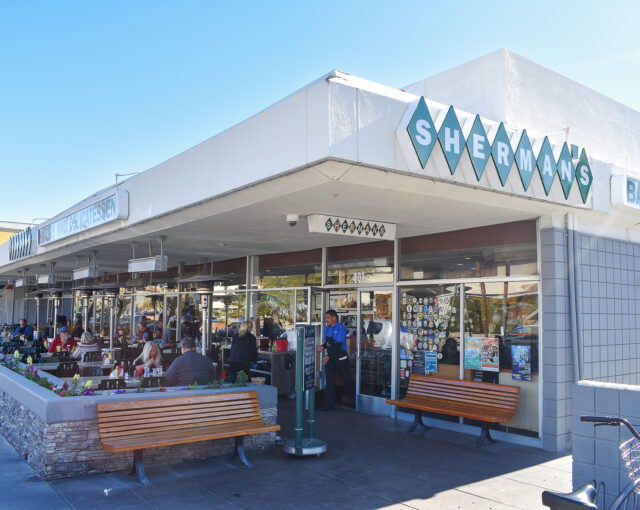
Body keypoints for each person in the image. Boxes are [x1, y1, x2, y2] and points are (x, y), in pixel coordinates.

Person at [316, 309, 354, 410]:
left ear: (334, 318)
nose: (326, 320)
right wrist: (322, 346)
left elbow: (338, 345)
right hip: (331, 358)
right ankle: (329, 404)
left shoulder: (341, 328)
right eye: (325, 318)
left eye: (328, 318)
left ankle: (354, 401)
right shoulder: (326, 329)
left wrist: (328, 356)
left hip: (341, 357)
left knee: (347, 380)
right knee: (329, 382)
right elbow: (328, 343)